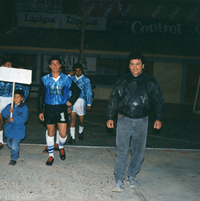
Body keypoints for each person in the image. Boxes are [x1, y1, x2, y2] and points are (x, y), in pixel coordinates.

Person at [106, 53, 164, 192]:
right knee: (121, 151)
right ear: (129, 66)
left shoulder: (151, 82)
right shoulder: (122, 81)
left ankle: (132, 175)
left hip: (142, 121)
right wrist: (109, 117)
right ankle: (119, 180)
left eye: (137, 64)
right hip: (123, 120)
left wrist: (159, 118)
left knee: (138, 152)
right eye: (132, 64)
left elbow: (158, 101)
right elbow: (114, 99)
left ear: (143, 66)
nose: (135, 67)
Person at [38, 55, 81, 166]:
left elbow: (77, 91)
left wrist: (70, 101)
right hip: (49, 108)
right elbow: (41, 96)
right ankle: (51, 156)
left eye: (57, 63)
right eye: (53, 63)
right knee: (51, 132)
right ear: (49, 66)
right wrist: (40, 111)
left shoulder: (66, 79)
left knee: (62, 134)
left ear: (60, 65)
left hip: (61, 108)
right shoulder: (45, 79)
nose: (55, 65)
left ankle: (61, 146)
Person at [0, 59, 30, 150]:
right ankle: (0, 141)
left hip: (9, 99)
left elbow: (20, 88)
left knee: (9, 121)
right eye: (8, 65)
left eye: (11, 65)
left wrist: (21, 100)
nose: (10, 67)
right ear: (3, 66)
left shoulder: (13, 76)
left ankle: (10, 139)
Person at [1, 89, 28, 165]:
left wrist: (14, 120)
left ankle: (14, 158)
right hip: (10, 129)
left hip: (18, 130)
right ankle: (16, 150)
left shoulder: (24, 108)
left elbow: (24, 118)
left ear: (22, 98)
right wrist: (8, 112)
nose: (16, 99)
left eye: (18, 97)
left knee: (14, 145)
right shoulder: (10, 106)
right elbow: (3, 114)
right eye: (14, 97)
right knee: (9, 144)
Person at [67, 62, 93, 144]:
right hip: (72, 101)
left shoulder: (86, 80)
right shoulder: (71, 79)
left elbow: (89, 92)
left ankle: (81, 131)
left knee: (81, 121)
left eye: (79, 70)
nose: (78, 72)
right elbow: (65, 85)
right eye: (76, 71)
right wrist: (68, 76)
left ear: (82, 70)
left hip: (81, 101)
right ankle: (72, 137)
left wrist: (89, 103)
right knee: (72, 120)